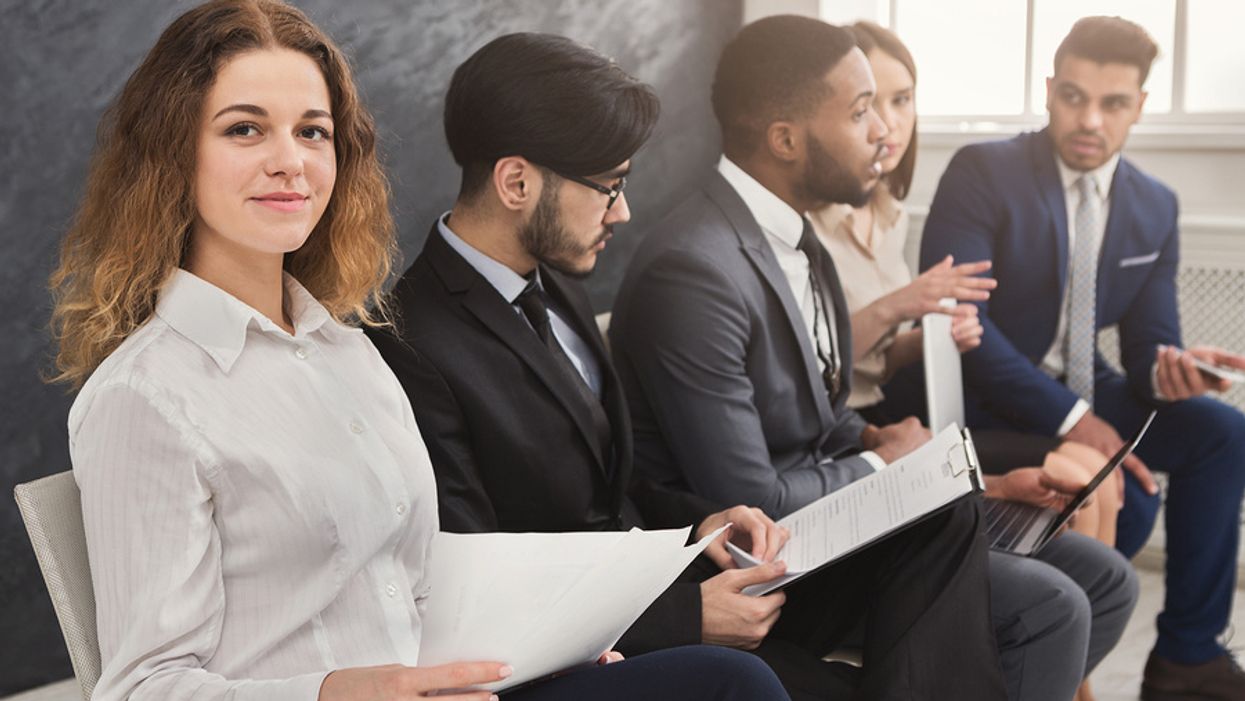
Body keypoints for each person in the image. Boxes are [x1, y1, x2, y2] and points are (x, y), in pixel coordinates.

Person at [46, 3, 792, 700]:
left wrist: (563, 626)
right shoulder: (143, 396)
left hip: (462, 682)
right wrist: (334, 691)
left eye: (312, 131)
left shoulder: (347, 351)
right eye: (245, 129)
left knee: (734, 679)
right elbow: (142, 688)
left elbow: (422, 578)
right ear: (174, 155)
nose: (291, 162)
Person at [611, 15, 1136, 701]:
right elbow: (753, 499)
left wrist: (896, 452)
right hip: (766, 563)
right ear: (784, 139)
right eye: (860, 113)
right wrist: (883, 463)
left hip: (835, 518)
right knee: (1049, 608)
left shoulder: (798, 242)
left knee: (1107, 580)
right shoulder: (693, 268)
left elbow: (818, 419)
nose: (885, 133)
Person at [370, 31, 795, 662]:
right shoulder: (411, 342)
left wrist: (702, 523)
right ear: (516, 183)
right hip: (577, 649)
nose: (621, 214)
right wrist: (682, 618)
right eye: (611, 186)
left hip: (652, 583)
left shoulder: (554, 279)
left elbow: (607, 488)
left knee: (932, 550)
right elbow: (472, 584)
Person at [916, 15, 1245, 701]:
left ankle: (1186, 655)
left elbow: (1147, 340)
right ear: (1048, 90)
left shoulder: (1155, 204)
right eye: (1072, 96)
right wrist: (1077, 422)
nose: (1089, 118)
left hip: (1082, 386)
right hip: (985, 391)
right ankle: (1060, 648)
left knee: (1221, 431)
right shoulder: (984, 169)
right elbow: (960, 325)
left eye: (1112, 103)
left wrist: (1172, 369)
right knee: (1112, 488)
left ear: (1139, 107)